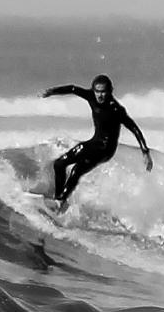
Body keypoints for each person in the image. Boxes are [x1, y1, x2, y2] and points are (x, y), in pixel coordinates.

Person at [40, 74, 152, 212]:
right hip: (95, 143)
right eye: (97, 91)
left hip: (106, 149)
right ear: (93, 90)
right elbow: (73, 88)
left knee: (75, 170)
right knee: (60, 164)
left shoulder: (115, 109)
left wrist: (145, 152)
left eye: (103, 91)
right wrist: (52, 92)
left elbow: (134, 128)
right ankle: (59, 201)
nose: (100, 95)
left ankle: (59, 201)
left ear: (110, 91)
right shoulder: (91, 96)